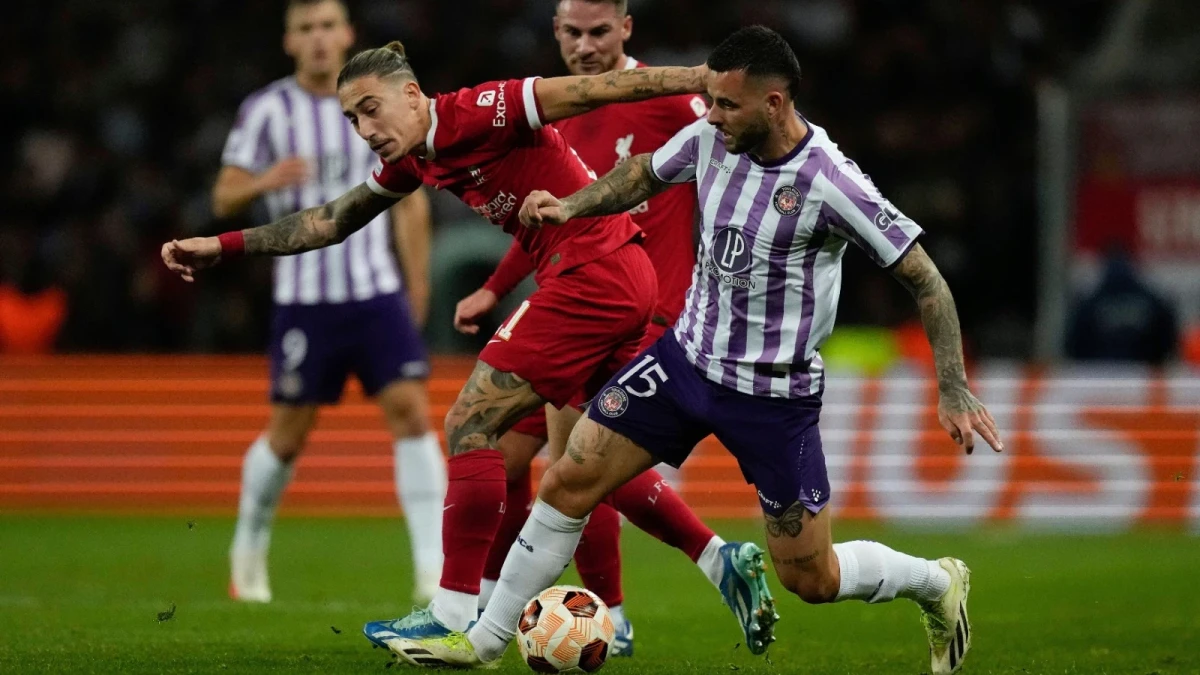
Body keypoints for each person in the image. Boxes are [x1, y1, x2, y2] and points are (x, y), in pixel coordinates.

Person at [391, 26, 1004, 674]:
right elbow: (641, 175)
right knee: (571, 477)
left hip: (774, 395)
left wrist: (953, 384)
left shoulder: (831, 182)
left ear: (774, 104)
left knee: (811, 578)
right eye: (709, 100)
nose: (710, 115)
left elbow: (925, 278)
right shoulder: (711, 137)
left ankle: (937, 582)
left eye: (726, 105)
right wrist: (571, 206)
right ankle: (482, 642)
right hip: (686, 362)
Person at [161, 39, 775, 660]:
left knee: (469, 423)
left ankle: (454, 611)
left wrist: (700, 75)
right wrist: (224, 246)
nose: (364, 129)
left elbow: (593, 90)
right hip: (614, 271)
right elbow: (331, 219)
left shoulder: (482, 109)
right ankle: (719, 560)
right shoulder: (418, 160)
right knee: (579, 462)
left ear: (411, 95)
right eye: (352, 119)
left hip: (592, 274)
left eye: (371, 110)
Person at [458, 0, 721, 656]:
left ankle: (619, 610)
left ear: (626, 29)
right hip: (567, 299)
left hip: (642, 308)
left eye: (599, 31)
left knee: (575, 458)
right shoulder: (551, 115)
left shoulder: (667, 105)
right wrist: (494, 286)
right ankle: (488, 594)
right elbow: (548, 218)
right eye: (572, 33)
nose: (584, 45)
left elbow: (733, 152)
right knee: (503, 452)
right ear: (554, 32)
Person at [210, 0, 444, 604]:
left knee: (412, 413)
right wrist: (264, 182)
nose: (317, 39)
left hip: (375, 291)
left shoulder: (380, 105)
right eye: (305, 29)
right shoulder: (266, 110)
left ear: (347, 34)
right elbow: (223, 197)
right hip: (305, 299)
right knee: (288, 435)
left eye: (326, 27)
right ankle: (249, 548)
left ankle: (431, 569)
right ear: (289, 41)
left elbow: (412, 197)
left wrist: (415, 284)